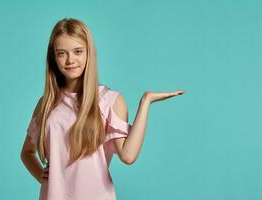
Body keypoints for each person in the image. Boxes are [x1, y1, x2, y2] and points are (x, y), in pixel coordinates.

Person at [20, 18, 185, 200]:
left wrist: (145, 102)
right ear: (54, 58)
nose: (70, 60)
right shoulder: (46, 104)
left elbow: (128, 156)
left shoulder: (109, 100)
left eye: (78, 51)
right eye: (61, 53)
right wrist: (42, 177)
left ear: (89, 53)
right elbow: (26, 153)